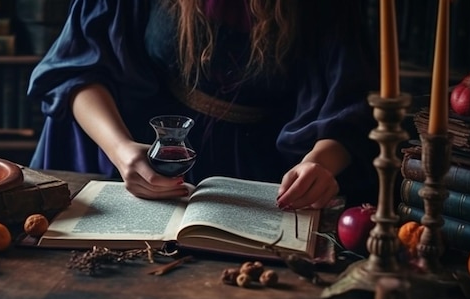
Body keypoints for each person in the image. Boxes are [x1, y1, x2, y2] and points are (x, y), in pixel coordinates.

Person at [27, 0, 380, 209]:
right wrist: (122, 153)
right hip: (145, 151)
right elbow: (76, 68)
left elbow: (349, 103)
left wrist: (321, 166)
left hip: (263, 174)